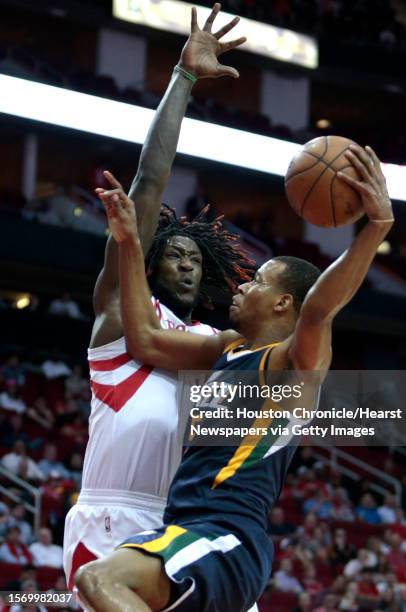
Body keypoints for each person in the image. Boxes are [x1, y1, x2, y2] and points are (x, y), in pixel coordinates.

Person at [75, 143, 394, 611]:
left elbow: (320, 309)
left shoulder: (293, 364)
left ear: (284, 303)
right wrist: (128, 244)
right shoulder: (227, 349)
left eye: (259, 281)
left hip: (225, 533)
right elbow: (142, 337)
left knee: (100, 581)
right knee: (99, 582)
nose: (243, 283)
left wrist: (375, 229)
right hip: (184, 528)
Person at [62, 1, 250, 594]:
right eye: (177, 254)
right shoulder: (123, 314)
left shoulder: (211, 343)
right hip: (112, 515)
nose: (189, 264)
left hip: (180, 521)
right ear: (147, 259)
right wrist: (184, 79)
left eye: (197, 259)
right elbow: (150, 179)